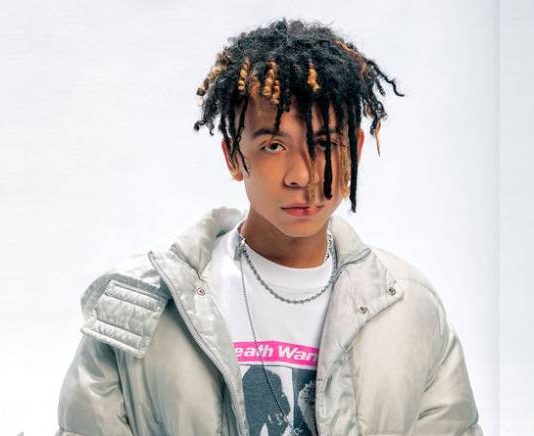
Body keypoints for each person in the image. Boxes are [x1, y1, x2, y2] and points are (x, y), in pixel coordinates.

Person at [56, 18, 483, 436]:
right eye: (274, 145)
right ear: (233, 157)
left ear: (354, 150)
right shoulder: (141, 303)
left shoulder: (408, 307)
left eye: (325, 144)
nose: (302, 175)